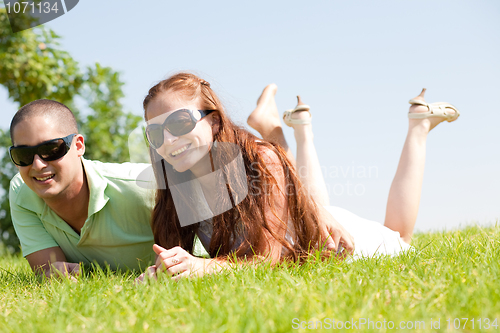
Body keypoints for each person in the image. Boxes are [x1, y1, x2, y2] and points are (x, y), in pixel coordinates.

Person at [138, 72, 459, 281]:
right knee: (302, 190)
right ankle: (296, 129)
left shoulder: (258, 158)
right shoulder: (176, 186)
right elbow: (181, 260)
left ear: (214, 120)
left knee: (400, 235)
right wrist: (162, 272)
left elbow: (266, 259)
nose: (168, 141)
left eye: (180, 123)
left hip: (346, 245)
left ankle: (418, 126)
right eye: (155, 132)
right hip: (305, 219)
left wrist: (205, 267)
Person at [8, 99, 157, 278]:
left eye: (51, 149)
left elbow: (196, 255)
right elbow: (50, 272)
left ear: (78, 146)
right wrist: (54, 274)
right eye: (23, 155)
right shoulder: (22, 192)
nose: (38, 165)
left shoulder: (145, 186)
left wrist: (199, 265)